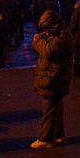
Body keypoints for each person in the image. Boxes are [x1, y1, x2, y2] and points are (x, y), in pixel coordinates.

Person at [31, 10, 73, 149]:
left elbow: (49, 51)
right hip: (53, 75)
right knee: (56, 107)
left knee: (49, 107)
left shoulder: (62, 36)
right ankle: (58, 135)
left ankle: (46, 138)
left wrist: (37, 41)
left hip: (54, 76)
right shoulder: (58, 33)